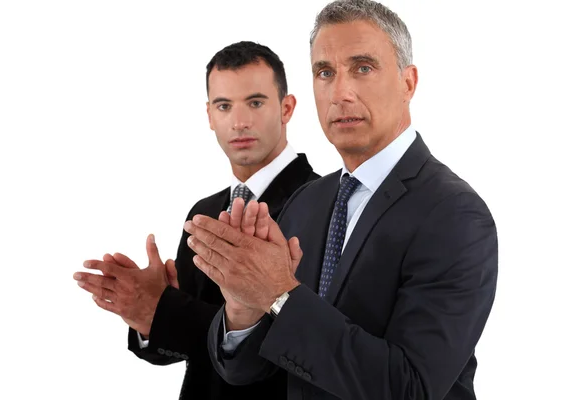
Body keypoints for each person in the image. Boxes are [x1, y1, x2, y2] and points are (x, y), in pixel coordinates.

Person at [182, 1, 498, 399]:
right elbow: (250, 371)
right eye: (325, 73)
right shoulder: (307, 201)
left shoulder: (456, 215)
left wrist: (279, 295)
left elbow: (411, 389)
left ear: (408, 83)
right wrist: (244, 309)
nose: (340, 92)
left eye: (363, 68)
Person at [73, 41, 319, 399]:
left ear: (286, 108)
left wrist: (163, 310)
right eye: (224, 105)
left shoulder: (323, 202)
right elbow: (186, 347)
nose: (239, 121)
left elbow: (296, 343)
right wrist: (144, 317)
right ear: (209, 116)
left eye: (255, 102)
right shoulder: (203, 212)